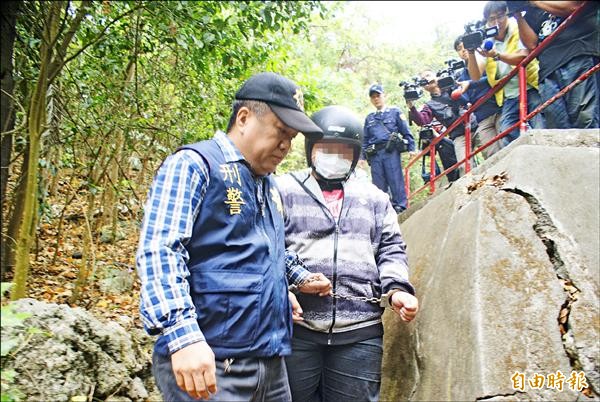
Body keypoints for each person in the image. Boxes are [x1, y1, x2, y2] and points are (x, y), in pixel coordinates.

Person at [135, 71, 326, 402]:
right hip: (210, 359)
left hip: (270, 358)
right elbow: (161, 250)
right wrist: (183, 337)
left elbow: (268, 249)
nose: (286, 145)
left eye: (292, 137)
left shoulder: (268, 184)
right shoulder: (194, 165)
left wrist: (296, 278)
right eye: (281, 132)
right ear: (244, 117)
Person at [275, 105, 419, 402]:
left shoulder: (375, 198)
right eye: (326, 148)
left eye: (343, 150)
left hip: (360, 333)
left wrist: (397, 289)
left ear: (355, 155)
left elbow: (391, 248)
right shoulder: (283, 190)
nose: (334, 156)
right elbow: (267, 246)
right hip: (296, 330)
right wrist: (288, 283)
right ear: (311, 150)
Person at [468, 1, 545, 146]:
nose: (497, 22)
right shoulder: (486, 41)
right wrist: (471, 52)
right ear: (487, 21)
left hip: (530, 87)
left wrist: (497, 55)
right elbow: (475, 75)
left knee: (541, 127)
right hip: (509, 96)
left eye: (500, 16)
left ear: (507, 15)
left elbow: (525, 56)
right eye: (491, 19)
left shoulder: (517, 28)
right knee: (507, 136)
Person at [515, 1, 599, 129]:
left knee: (586, 119)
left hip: (577, 54)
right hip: (547, 69)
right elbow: (531, 44)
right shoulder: (534, 10)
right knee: (556, 127)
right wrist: (517, 15)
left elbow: (573, 7)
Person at [407, 70, 475, 181]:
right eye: (423, 79)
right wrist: (412, 107)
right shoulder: (430, 105)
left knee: (492, 150)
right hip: (458, 135)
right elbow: (423, 121)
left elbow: (467, 99)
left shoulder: (451, 85)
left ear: (435, 76)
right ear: (424, 87)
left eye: (428, 75)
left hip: (474, 125)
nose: (427, 79)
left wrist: (452, 89)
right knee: (464, 166)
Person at [362, 84, 416, 213]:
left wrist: (411, 148)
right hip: (375, 154)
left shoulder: (394, 112)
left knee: (395, 178)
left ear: (384, 96)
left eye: (378, 96)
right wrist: (362, 158)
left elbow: (405, 131)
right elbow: (365, 138)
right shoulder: (370, 118)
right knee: (378, 182)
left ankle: (400, 206)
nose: (376, 99)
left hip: (390, 151)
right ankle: (383, 208)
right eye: (373, 97)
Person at [454, 35, 503, 159]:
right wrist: (454, 94)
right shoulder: (462, 76)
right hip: (482, 117)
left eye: (465, 46)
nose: (463, 50)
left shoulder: (485, 59)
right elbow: (466, 100)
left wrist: (470, 84)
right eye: (459, 48)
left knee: (508, 143)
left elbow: (494, 78)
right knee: (491, 155)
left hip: (500, 108)